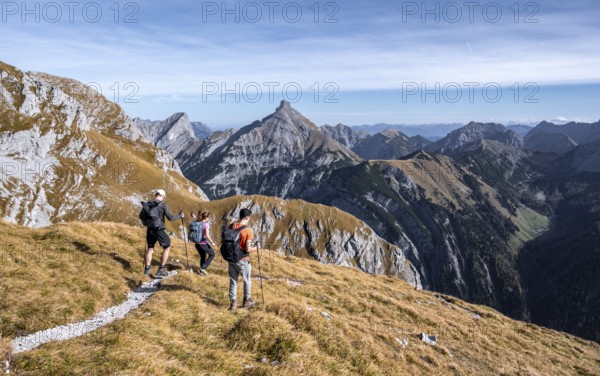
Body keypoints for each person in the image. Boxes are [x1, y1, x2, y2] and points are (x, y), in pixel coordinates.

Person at [144, 189, 184, 278]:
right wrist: (179, 215)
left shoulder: (148, 203)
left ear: (156, 195)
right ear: (162, 196)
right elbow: (171, 218)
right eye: (164, 197)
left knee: (150, 249)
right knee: (167, 246)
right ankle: (161, 269)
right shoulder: (163, 205)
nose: (165, 198)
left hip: (149, 229)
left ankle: (147, 270)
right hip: (159, 229)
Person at [228, 208, 257, 311]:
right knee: (247, 280)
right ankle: (247, 301)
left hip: (230, 258)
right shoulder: (248, 230)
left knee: (233, 280)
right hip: (242, 259)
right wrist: (256, 248)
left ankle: (233, 303)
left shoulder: (230, 226)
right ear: (247, 217)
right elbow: (247, 248)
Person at [192, 211, 216, 276]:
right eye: (208, 217)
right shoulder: (206, 224)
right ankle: (203, 268)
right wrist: (212, 242)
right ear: (207, 217)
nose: (209, 218)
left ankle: (201, 271)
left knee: (203, 256)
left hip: (197, 243)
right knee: (212, 254)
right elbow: (207, 235)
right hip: (203, 243)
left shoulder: (198, 222)